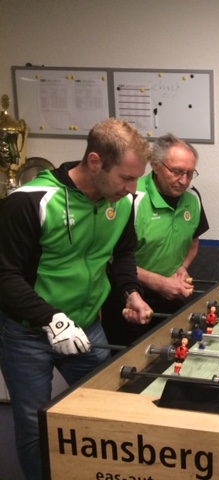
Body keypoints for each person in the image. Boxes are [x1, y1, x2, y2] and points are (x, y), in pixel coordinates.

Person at [0, 118, 152, 480]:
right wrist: (51, 319)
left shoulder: (123, 203)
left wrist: (130, 292)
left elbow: (122, 255)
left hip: (86, 328)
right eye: (126, 178)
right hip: (27, 335)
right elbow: (5, 276)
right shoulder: (30, 201)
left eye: (137, 179)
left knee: (109, 409)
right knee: (37, 425)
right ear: (95, 162)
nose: (132, 189)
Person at [102, 133, 209, 346]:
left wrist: (182, 266)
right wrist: (160, 283)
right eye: (177, 172)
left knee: (172, 355)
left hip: (173, 296)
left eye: (190, 173)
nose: (184, 181)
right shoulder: (129, 198)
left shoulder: (193, 198)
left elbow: (193, 241)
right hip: (130, 299)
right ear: (156, 166)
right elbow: (112, 259)